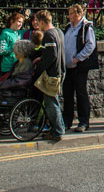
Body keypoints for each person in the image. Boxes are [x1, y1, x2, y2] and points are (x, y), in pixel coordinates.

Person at [31, 10, 66, 142]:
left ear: (42, 21)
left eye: (37, 22)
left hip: (53, 73)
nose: (37, 24)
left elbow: (51, 56)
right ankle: (59, 128)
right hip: (61, 70)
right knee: (54, 101)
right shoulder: (59, 31)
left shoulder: (49, 35)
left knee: (51, 103)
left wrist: (40, 68)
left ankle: (57, 131)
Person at [62, 4, 97, 133]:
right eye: (69, 13)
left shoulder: (86, 28)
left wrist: (78, 57)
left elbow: (90, 45)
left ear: (79, 14)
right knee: (67, 94)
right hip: (68, 66)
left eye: (72, 14)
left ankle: (84, 121)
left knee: (81, 94)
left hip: (79, 67)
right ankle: (67, 120)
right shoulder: (68, 28)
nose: (69, 16)